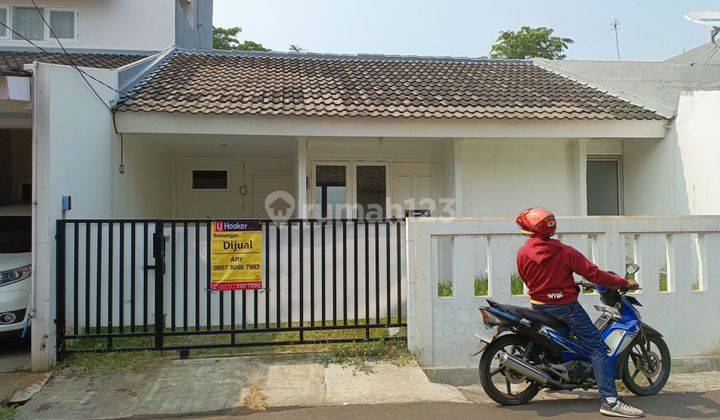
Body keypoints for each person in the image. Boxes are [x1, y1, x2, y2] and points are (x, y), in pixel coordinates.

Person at [515, 207, 643, 418]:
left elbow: (528, 278)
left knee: (572, 340)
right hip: (567, 309)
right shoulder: (564, 252)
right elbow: (594, 274)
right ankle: (611, 401)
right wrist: (623, 282)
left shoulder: (523, 253)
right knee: (598, 348)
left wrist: (556, 287)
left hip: (539, 305)